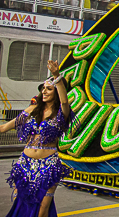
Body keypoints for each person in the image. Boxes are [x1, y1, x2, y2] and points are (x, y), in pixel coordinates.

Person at [0, 60, 72, 217]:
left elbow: (65, 101)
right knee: (23, 203)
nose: (44, 92)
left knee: (42, 209)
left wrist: (56, 75)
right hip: (25, 163)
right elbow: (4, 127)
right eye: (43, 89)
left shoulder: (61, 114)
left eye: (49, 89)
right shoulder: (32, 110)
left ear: (57, 92)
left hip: (48, 166)